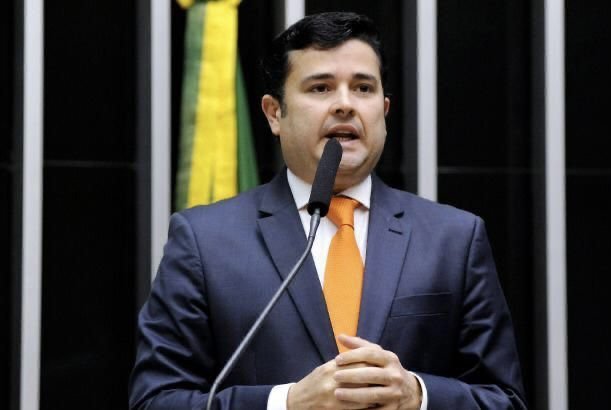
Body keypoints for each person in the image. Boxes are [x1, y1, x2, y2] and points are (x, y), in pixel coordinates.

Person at [129, 11, 527, 410]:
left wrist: (418, 396)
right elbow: (155, 400)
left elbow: (505, 400)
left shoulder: (454, 239)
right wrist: (286, 403)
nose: (345, 105)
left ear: (384, 110)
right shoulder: (204, 241)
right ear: (274, 113)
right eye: (320, 88)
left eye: (363, 88)